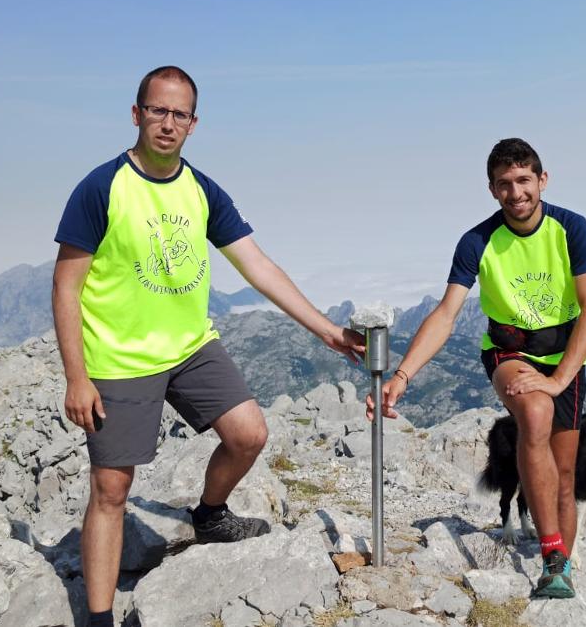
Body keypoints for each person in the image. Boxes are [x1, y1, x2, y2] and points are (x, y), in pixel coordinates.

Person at [52, 65, 364, 627]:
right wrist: (77, 376)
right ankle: (98, 619)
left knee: (249, 434)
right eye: (157, 110)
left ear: (194, 124)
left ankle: (211, 515)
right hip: (120, 359)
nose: (167, 123)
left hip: (191, 347)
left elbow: (257, 265)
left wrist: (326, 329)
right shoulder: (101, 187)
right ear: (136, 114)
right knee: (112, 490)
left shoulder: (201, 188)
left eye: (179, 114)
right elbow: (66, 284)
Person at [367, 137, 586, 600]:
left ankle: (562, 569)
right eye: (504, 184)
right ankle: (552, 554)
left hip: (566, 357)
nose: (516, 193)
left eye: (523, 181)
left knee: (566, 472)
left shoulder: (570, 228)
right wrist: (401, 375)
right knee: (535, 415)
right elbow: (445, 314)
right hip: (508, 352)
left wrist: (559, 378)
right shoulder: (478, 240)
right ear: (492, 189)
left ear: (542, 180)